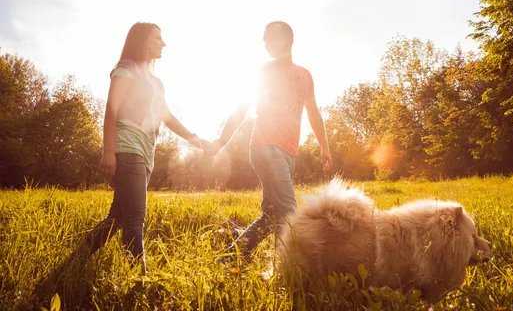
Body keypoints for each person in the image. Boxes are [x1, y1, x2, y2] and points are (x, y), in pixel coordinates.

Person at [203, 21, 333, 263]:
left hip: (288, 151)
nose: (265, 43)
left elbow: (313, 112)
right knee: (289, 213)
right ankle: (285, 270)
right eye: (264, 39)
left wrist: (324, 147)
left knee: (272, 215)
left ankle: (230, 258)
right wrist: (222, 141)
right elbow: (242, 109)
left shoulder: (305, 75)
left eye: (270, 38)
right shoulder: (263, 72)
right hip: (265, 146)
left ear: (287, 39)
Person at [86, 22, 202, 273]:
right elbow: (111, 109)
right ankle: (140, 282)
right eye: (157, 38)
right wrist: (108, 152)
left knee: (117, 218)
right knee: (135, 219)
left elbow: (167, 117)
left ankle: (79, 255)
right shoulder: (126, 69)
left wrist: (195, 139)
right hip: (127, 150)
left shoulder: (157, 83)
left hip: (144, 153)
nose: (163, 43)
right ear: (142, 41)